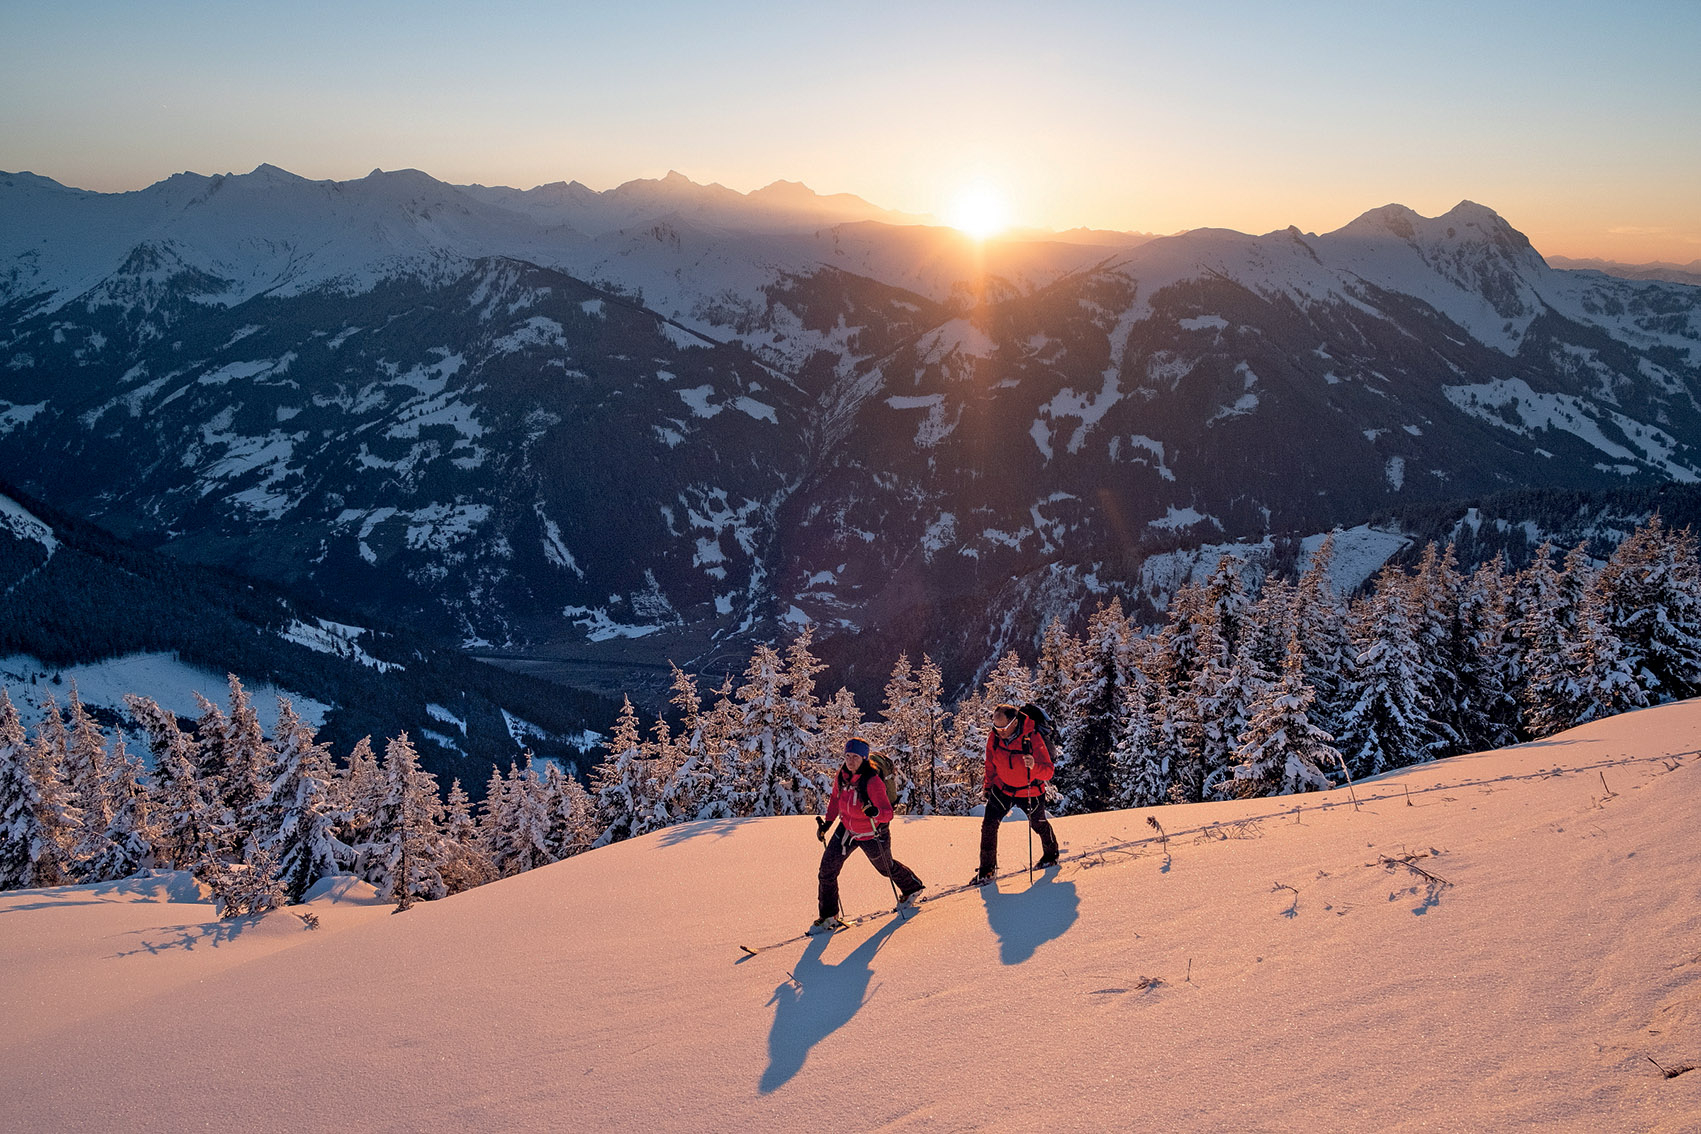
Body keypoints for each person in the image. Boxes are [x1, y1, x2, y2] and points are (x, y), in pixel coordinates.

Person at [812, 737, 924, 931]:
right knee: (827, 870)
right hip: (847, 829)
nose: (850, 760)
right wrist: (827, 824)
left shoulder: (872, 781)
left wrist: (876, 813)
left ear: (864, 757)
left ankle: (912, 887)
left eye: (855, 756)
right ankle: (828, 916)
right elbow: (835, 801)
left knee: (885, 868)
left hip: (873, 832)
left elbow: (888, 813)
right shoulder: (841, 776)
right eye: (847, 756)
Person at [973, 703, 1060, 883]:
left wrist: (1034, 767)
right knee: (989, 825)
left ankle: (1051, 855)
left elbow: (1049, 771)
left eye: (1003, 727)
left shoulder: (1033, 737)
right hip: (1002, 788)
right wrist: (988, 786)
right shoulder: (994, 737)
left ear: (1014, 722)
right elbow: (990, 763)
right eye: (996, 727)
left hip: (1030, 790)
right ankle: (987, 870)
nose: (1000, 732)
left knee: (1038, 824)